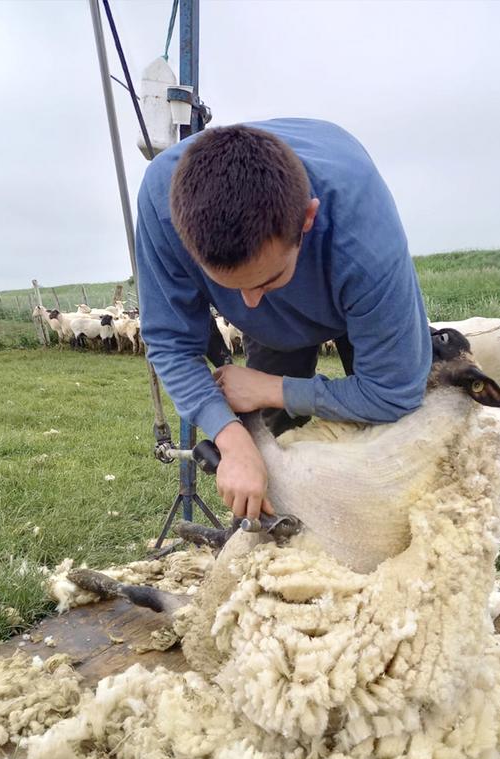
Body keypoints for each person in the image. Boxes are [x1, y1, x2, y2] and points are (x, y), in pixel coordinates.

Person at [135, 118, 431, 522]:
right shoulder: (160, 202)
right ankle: (288, 532)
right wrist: (230, 436)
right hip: (292, 296)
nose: (249, 305)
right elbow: (169, 342)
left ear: (307, 220)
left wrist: (269, 387)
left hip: (341, 288)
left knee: (392, 440)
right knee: (268, 439)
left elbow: (394, 393)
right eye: (228, 287)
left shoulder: (364, 248)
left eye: (267, 280)